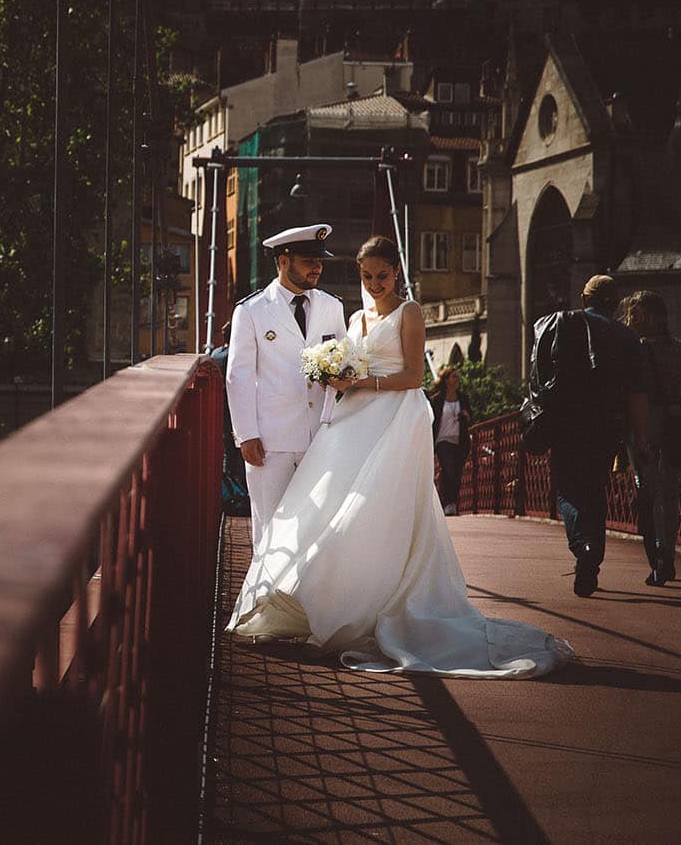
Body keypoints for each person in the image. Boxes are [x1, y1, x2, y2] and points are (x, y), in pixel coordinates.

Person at [226, 236, 572, 678]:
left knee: (372, 511)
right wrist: (338, 375)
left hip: (392, 420)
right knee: (334, 510)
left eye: (382, 276)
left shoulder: (408, 312)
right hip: (349, 421)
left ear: (397, 272)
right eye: (367, 276)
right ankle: (308, 605)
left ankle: (357, 612)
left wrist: (357, 383)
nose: (374, 284)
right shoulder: (351, 314)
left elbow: (411, 375)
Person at [224, 224, 347, 555]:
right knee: (269, 531)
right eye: (309, 260)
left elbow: (342, 365)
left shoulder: (332, 307)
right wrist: (246, 435)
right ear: (283, 260)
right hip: (270, 440)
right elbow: (239, 376)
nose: (317, 267)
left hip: (322, 436)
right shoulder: (250, 311)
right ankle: (263, 603)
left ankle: (306, 604)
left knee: (319, 530)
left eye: (320, 260)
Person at [547, 275, 650, 597]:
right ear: (616, 302)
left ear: (583, 299)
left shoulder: (564, 327)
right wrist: (641, 437)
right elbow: (637, 393)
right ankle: (591, 559)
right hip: (607, 426)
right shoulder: (627, 338)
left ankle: (584, 546)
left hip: (566, 423)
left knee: (567, 490)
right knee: (594, 488)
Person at [617, 290, 681, 587]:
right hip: (676, 420)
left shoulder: (635, 349)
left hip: (645, 422)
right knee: (671, 493)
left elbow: (626, 389)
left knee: (648, 491)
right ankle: (669, 556)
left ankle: (657, 560)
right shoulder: (680, 348)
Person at [209, 321, 250, 517]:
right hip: (237, 410)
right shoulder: (238, 357)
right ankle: (239, 494)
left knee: (226, 452)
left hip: (218, 411)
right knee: (239, 452)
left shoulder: (215, 355)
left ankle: (226, 494)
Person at [428, 366, 473, 516]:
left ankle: (451, 502)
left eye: (457, 377)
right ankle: (448, 503)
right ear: (446, 380)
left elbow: (471, 419)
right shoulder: (437, 400)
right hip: (443, 440)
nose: (457, 380)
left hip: (460, 441)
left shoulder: (463, 398)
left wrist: (466, 415)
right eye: (454, 377)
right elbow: (431, 420)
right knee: (449, 470)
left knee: (457, 473)